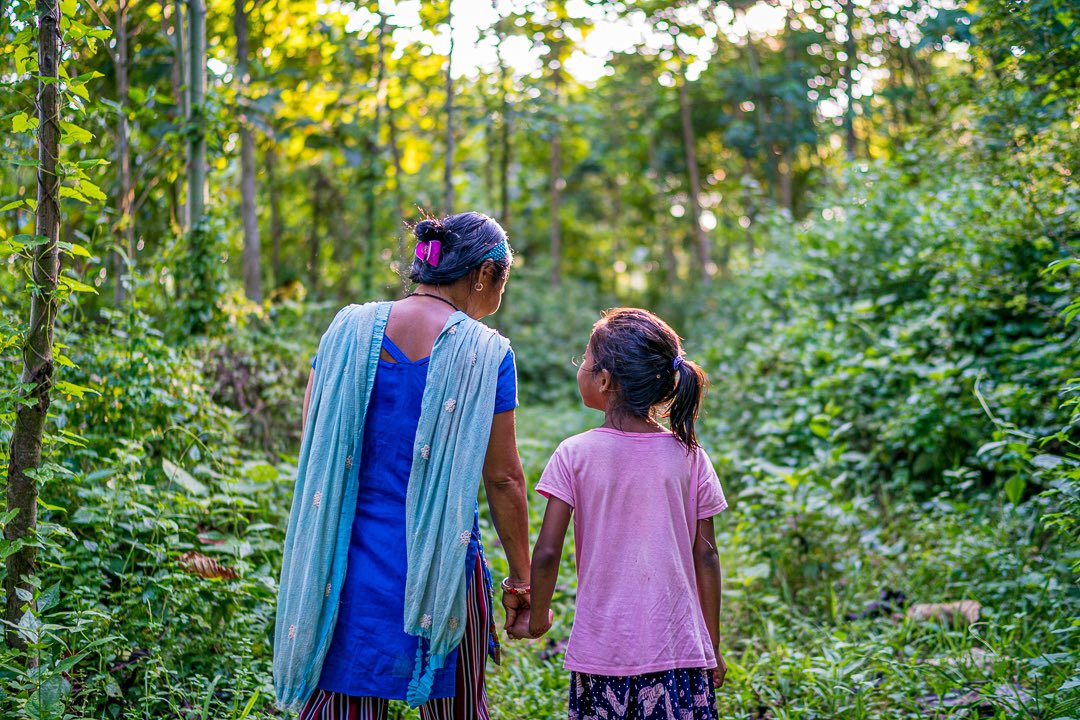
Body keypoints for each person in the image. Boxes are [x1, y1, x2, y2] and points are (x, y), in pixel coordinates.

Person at [273, 212, 533, 720]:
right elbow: (503, 478)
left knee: (342, 705)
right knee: (455, 708)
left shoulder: (347, 330)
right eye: (502, 283)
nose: (499, 298)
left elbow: (316, 440)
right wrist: (522, 580)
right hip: (442, 570)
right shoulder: (487, 354)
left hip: (344, 566)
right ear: (483, 274)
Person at [521, 308, 728, 720]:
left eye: (584, 357)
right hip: (680, 649)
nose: (579, 366)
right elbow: (706, 556)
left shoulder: (574, 453)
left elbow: (546, 552)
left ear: (604, 380)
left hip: (603, 652)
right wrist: (713, 647)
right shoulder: (690, 455)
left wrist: (539, 614)